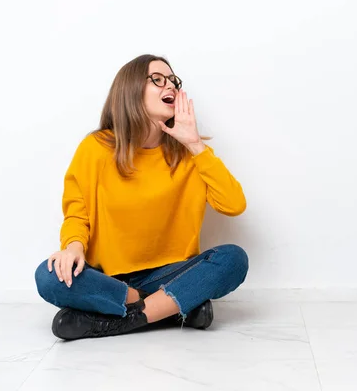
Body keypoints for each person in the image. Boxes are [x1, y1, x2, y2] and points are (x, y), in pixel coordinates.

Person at [34, 54, 249, 341]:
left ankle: (121, 319)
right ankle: (172, 307)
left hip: (168, 273)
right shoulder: (95, 148)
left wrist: (195, 143)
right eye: (157, 80)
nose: (169, 86)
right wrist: (72, 248)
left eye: (173, 81)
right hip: (108, 279)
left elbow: (234, 205)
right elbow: (77, 213)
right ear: (131, 89)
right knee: (48, 277)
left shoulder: (189, 153)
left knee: (234, 259)